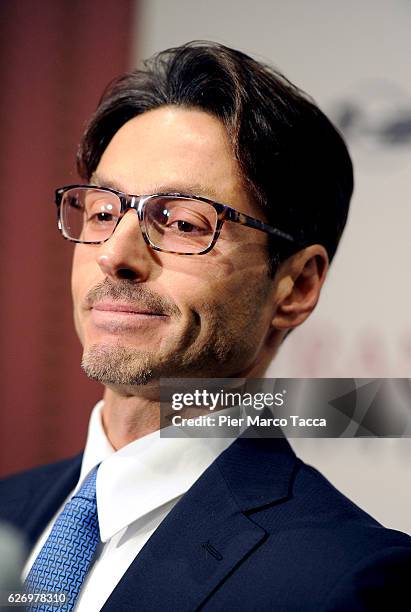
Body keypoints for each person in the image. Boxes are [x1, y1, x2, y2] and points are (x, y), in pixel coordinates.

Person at [1, 41, 410, 612]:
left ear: (296, 287)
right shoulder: (8, 517)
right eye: (102, 211)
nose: (115, 254)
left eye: (183, 223)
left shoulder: (343, 579)